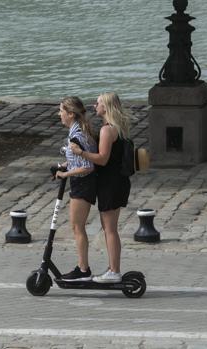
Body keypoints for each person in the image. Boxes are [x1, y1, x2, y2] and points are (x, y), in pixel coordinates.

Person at [69, 92, 131, 283]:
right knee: (109, 227)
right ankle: (113, 269)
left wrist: (80, 152)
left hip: (110, 183)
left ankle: (114, 271)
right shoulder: (117, 128)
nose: (95, 106)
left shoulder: (107, 130)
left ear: (106, 107)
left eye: (98, 103)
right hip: (117, 181)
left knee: (110, 229)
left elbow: (102, 159)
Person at [55, 96, 98, 282]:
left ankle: (83, 270)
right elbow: (77, 159)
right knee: (76, 226)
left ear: (71, 114)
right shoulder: (78, 131)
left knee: (77, 227)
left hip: (83, 183)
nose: (59, 114)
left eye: (61, 111)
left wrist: (66, 174)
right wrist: (64, 165)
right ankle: (82, 268)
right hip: (82, 182)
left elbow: (87, 166)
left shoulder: (77, 135)